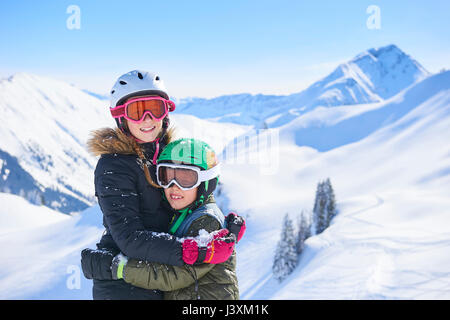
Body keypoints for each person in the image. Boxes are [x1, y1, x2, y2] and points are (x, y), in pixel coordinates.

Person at [82, 70, 243, 300]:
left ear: (165, 113)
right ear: (121, 117)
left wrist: (223, 230)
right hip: (124, 286)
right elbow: (129, 238)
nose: (147, 118)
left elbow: (193, 192)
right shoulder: (113, 166)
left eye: (155, 109)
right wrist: (196, 250)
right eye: (137, 111)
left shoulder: (166, 155)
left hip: (158, 276)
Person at [83, 138, 246, 300]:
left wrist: (118, 268)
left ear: (206, 183)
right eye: (167, 176)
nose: (174, 186)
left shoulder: (205, 221)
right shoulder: (184, 211)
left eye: (186, 179)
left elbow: (176, 275)